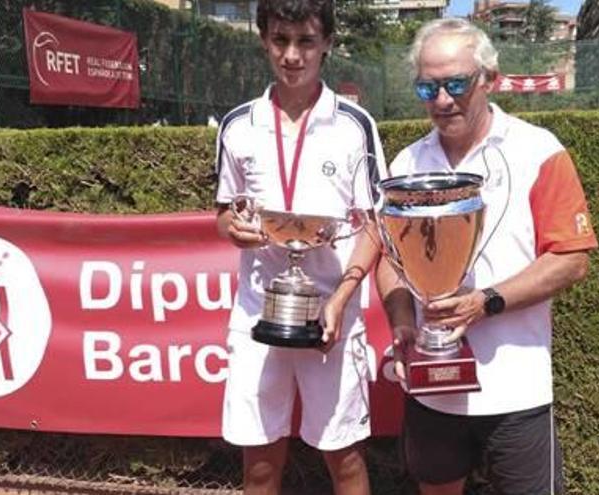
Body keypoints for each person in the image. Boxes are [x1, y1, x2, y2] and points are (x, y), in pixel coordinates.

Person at [375, 18, 598, 495]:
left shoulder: (539, 151)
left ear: (489, 80)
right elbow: (390, 262)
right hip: (433, 389)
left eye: (456, 83)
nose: (442, 100)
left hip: (517, 388)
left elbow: (571, 258)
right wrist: (400, 319)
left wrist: (486, 301)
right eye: (427, 87)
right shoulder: (407, 165)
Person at [214, 1, 385, 494]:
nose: (292, 55)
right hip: (257, 314)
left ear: (327, 43)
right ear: (264, 40)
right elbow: (225, 209)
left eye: (305, 41)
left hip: (332, 315)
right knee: (260, 461)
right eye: (280, 40)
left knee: (344, 455)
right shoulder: (237, 126)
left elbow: (375, 223)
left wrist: (342, 298)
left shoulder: (355, 126)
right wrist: (234, 229)